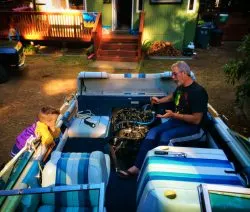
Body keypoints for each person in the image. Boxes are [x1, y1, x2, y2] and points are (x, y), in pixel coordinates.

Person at [118, 61, 208, 178]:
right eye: (172, 74)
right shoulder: (181, 87)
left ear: (184, 73)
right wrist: (159, 101)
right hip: (178, 122)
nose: (172, 77)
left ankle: (158, 172)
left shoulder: (198, 92)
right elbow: (173, 96)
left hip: (194, 129)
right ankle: (137, 168)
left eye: (175, 74)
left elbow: (196, 119)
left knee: (166, 137)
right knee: (152, 132)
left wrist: (174, 115)